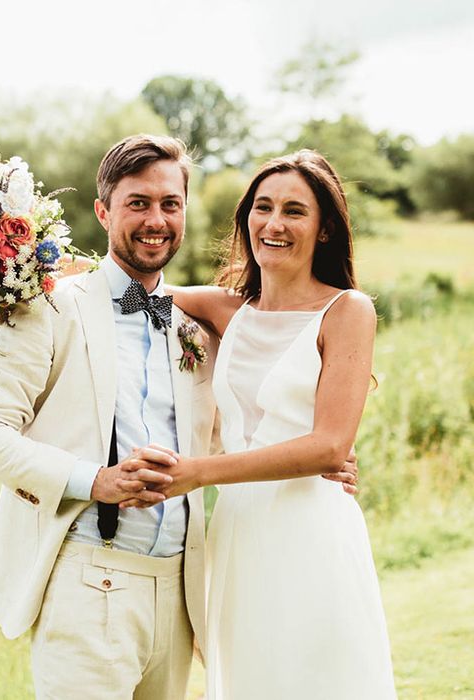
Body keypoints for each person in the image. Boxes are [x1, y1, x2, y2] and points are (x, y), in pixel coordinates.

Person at [0, 135, 357, 699]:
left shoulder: (202, 326)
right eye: (138, 203)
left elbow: (240, 429)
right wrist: (93, 480)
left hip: (183, 592)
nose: (156, 220)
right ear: (103, 211)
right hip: (85, 582)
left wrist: (321, 454)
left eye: (170, 204)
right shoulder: (44, 305)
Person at [125, 150, 396, 699]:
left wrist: (198, 472)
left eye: (295, 211)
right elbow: (126, 289)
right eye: (263, 207)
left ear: (324, 231)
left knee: (321, 679)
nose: (274, 224)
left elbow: (328, 446)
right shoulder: (228, 309)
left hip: (311, 527)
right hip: (239, 535)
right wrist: (28, 255)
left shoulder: (348, 311)